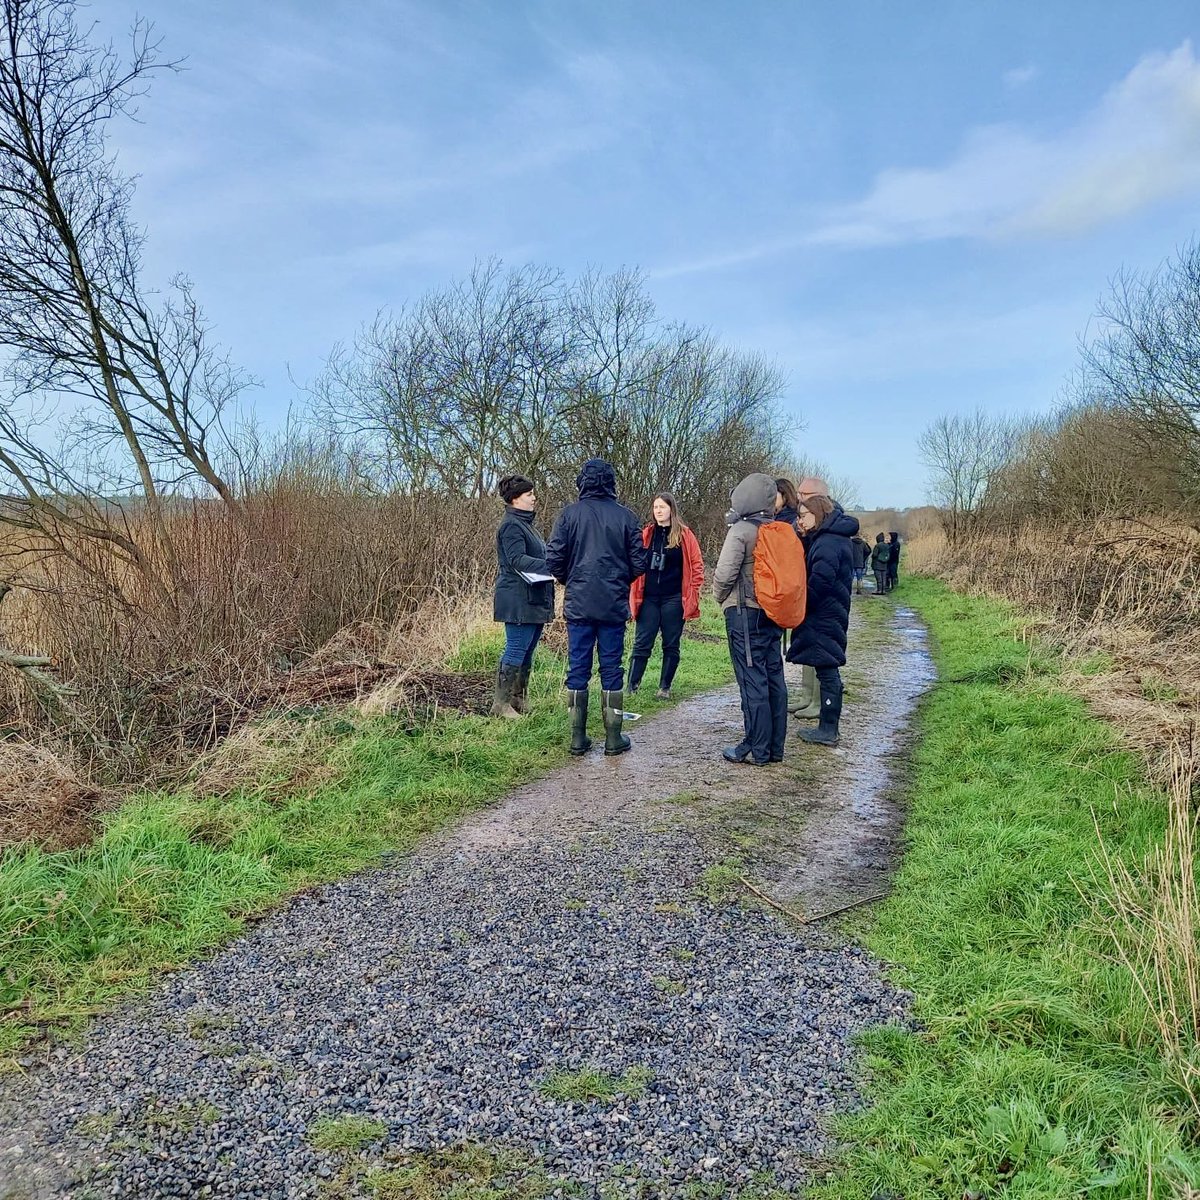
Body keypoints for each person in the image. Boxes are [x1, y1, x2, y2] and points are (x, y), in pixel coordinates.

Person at [546, 458, 648, 756]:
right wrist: (618, 579)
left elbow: (554, 559)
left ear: (583, 482)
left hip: (579, 603)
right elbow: (639, 562)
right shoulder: (626, 517)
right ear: (611, 482)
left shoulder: (568, 515)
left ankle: (578, 738)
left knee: (577, 668)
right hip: (613, 603)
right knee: (611, 668)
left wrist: (573, 579)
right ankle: (614, 738)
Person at [713, 472, 788, 766]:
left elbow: (723, 575)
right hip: (773, 614)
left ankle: (756, 749)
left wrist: (719, 598)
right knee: (774, 679)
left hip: (745, 615)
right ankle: (774, 749)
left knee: (751, 680)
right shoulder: (779, 530)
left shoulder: (741, 531)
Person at [787, 494, 857, 746]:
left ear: (819, 514)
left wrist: (799, 606)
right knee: (826, 669)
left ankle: (828, 729)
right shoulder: (831, 539)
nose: (800, 522)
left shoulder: (827, 543)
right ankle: (828, 727)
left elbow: (820, 583)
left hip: (823, 616)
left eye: (804, 516)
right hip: (830, 613)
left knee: (827, 671)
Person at [628, 493, 704, 700]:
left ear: (672, 509)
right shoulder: (646, 534)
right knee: (642, 642)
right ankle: (632, 686)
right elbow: (633, 562)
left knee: (671, 644)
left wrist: (692, 591)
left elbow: (697, 566)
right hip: (649, 598)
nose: (658, 511)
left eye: (662, 507)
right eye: (655, 507)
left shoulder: (685, 536)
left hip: (674, 598)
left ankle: (664, 687)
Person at [491, 475, 554, 718]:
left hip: (534, 597)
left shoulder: (527, 525)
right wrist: (552, 566)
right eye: (529, 494)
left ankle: (518, 699)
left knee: (527, 651)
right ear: (515, 499)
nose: (534, 497)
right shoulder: (510, 526)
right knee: (516, 648)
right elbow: (517, 560)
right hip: (517, 599)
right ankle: (501, 704)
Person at [774, 479, 820, 720]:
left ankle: (818, 700)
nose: (801, 496)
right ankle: (806, 696)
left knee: (818, 647)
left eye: (806, 493)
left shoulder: (821, 525)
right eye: (799, 492)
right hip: (803, 591)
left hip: (815, 595)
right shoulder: (802, 522)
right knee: (805, 643)